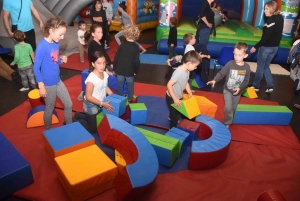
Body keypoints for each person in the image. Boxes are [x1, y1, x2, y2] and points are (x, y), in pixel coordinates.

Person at [33, 17, 73, 130]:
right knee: (50, 107)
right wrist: (41, 86)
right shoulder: (42, 46)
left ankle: (70, 127)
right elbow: (36, 67)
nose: (62, 37)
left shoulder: (56, 43)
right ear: (51, 30)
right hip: (48, 83)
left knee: (69, 104)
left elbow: (54, 60)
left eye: (63, 34)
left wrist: (61, 60)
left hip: (57, 80)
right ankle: (48, 130)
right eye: (60, 34)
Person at [206, 42, 250, 128]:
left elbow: (246, 81)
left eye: (239, 55)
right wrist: (215, 80)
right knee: (228, 107)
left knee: (233, 108)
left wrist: (240, 88)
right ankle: (228, 123)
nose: (236, 57)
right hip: (227, 90)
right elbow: (222, 73)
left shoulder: (246, 67)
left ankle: (230, 118)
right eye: (235, 54)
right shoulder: (230, 64)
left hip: (238, 92)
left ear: (245, 56)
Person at [73, 51, 114, 134]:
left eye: (104, 63)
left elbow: (105, 86)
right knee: (93, 130)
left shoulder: (105, 74)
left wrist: (113, 96)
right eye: (99, 63)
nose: (102, 66)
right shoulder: (91, 79)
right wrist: (102, 104)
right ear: (93, 64)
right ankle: (73, 121)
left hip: (101, 102)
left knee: (99, 120)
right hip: (91, 104)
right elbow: (88, 96)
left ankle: (79, 115)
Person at [249, 1, 283, 93]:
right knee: (266, 67)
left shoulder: (270, 20)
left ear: (272, 9)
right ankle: (270, 86)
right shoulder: (280, 18)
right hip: (275, 48)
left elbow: (265, 37)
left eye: (267, 9)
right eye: (265, 9)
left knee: (260, 67)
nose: (265, 11)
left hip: (266, 48)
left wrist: (255, 47)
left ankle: (256, 86)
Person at [166, 50, 201, 128]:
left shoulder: (187, 70)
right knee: (175, 117)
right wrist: (174, 98)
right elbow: (169, 85)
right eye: (195, 66)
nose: (196, 68)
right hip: (171, 97)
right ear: (189, 63)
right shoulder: (179, 72)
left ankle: (171, 116)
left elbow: (186, 83)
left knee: (177, 111)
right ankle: (172, 131)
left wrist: (190, 93)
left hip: (179, 95)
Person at [114, 25, 140, 102]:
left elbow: (116, 58)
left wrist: (115, 68)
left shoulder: (122, 45)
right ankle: (130, 99)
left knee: (119, 85)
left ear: (126, 35)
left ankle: (119, 99)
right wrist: (136, 70)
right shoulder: (136, 47)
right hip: (130, 70)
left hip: (120, 70)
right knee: (130, 85)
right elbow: (137, 61)